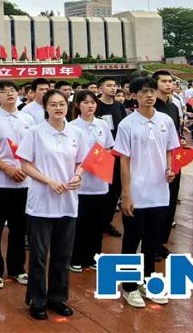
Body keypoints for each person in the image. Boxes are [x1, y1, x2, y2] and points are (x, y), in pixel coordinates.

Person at [16, 89, 87, 320]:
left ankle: (57, 298)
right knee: (38, 254)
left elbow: (82, 161)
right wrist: (48, 181)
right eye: (53, 104)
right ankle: (37, 300)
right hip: (41, 202)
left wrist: (78, 176)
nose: (59, 108)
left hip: (67, 201)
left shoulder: (76, 132)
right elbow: (25, 165)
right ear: (45, 107)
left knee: (62, 254)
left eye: (62, 104)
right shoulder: (36, 133)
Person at [114, 77, 179, 308]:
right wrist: (126, 194)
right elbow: (124, 161)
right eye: (143, 92)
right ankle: (129, 286)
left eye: (152, 91)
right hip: (137, 191)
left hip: (160, 190)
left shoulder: (166, 120)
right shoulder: (127, 125)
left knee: (152, 239)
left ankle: (148, 281)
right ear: (134, 96)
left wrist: (170, 169)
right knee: (132, 239)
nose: (149, 96)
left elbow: (171, 149)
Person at [0, 80, 32, 288]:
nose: (9, 94)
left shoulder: (27, 118)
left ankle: (17, 268)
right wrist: (6, 168)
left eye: (12, 90)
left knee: (20, 229)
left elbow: (32, 150)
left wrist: (24, 170)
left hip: (24, 182)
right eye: (3, 91)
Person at [68, 90, 113, 273]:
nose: (90, 105)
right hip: (80, 183)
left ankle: (94, 256)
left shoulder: (102, 125)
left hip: (100, 182)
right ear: (78, 105)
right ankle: (76, 257)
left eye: (93, 102)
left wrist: (102, 161)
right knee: (80, 223)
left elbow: (109, 148)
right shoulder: (71, 126)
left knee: (97, 223)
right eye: (85, 102)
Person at [152, 70, 186, 257]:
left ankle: (161, 242)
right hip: (156, 162)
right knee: (157, 205)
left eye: (170, 81)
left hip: (174, 160)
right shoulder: (152, 108)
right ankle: (152, 243)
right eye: (164, 81)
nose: (169, 84)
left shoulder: (173, 107)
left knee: (171, 202)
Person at [96, 77, 126, 238]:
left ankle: (106, 223)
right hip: (100, 155)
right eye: (109, 85)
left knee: (115, 190)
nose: (113, 88)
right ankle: (97, 223)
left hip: (118, 153)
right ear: (100, 88)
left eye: (115, 85)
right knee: (102, 190)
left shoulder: (119, 106)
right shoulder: (95, 106)